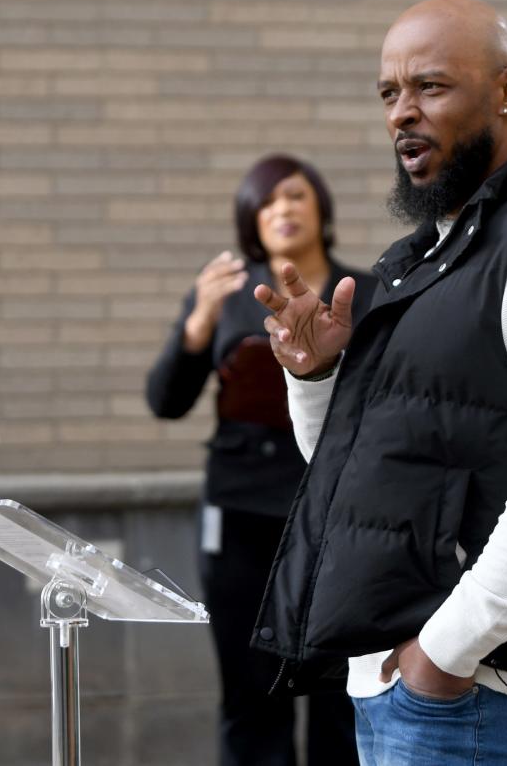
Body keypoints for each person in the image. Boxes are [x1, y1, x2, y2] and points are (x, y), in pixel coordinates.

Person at [250, 0, 507, 765]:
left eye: (430, 86)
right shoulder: (417, 263)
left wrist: (443, 653)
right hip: (411, 689)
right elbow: (358, 475)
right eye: (390, 93)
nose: (403, 112)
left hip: (477, 697)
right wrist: (318, 376)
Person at [146, 154, 372, 766]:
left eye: (296, 196)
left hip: (336, 512)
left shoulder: (364, 290)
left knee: (341, 694)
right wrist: (197, 325)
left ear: (321, 208)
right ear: (251, 220)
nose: (284, 210)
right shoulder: (228, 295)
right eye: (268, 201)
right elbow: (164, 400)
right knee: (251, 692)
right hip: (240, 509)